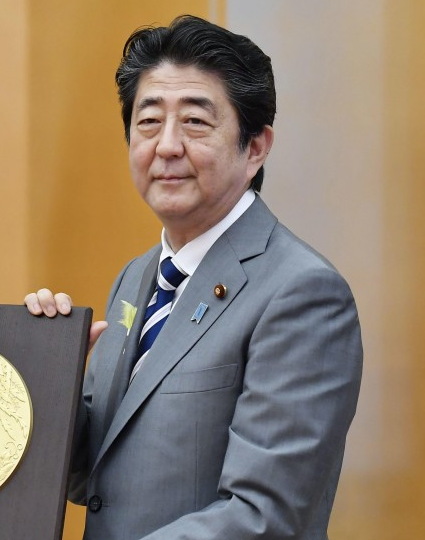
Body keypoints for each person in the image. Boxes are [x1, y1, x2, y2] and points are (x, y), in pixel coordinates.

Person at [25, 15, 362, 540]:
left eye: (195, 122)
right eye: (148, 121)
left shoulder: (302, 293)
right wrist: (45, 373)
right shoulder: (137, 276)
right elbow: (92, 474)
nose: (166, 146)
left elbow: (264, 517)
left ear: (255, 147)